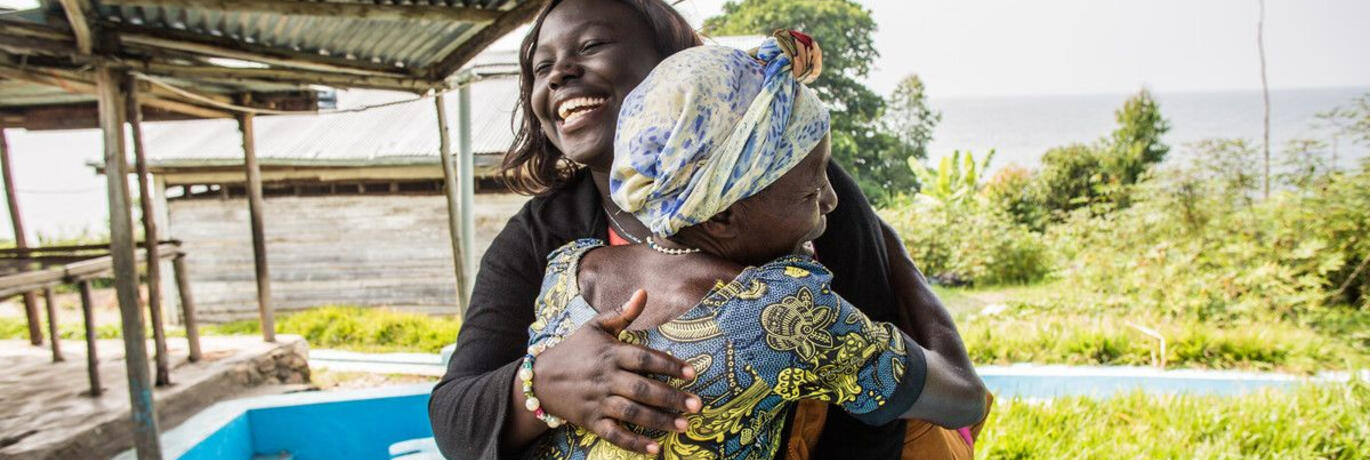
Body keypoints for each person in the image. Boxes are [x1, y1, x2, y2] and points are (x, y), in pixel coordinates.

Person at [428, 1, 987, 458]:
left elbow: (877, 396)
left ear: (675, 65)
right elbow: (454, 417)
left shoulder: (793, 180)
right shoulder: (548, 240)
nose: (558, 74)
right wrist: (542, 384)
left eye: (590, 46)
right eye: (539, 67)